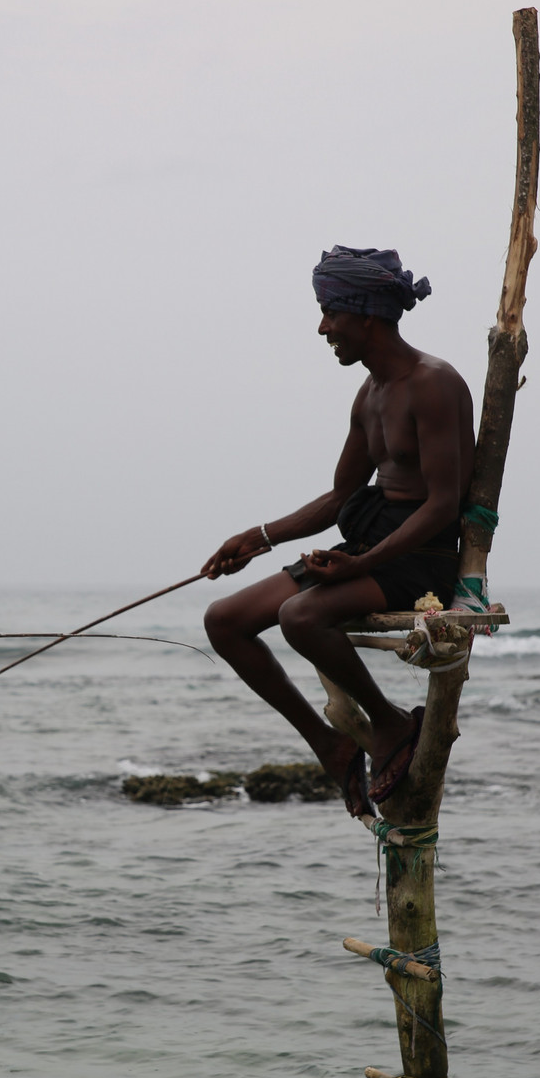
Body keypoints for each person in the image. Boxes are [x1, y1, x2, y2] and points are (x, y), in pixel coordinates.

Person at [202, 245, 475, 818]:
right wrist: (256, 537)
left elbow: (445, 504)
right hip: (370, 551)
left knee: (299, 616)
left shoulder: (435, 383)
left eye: (331, 313)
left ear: (367, 317)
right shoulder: (369, 393)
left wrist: (364, 562)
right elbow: (340, 497)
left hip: (419, 556)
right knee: (223, 620)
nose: (323, 327)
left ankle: (392, 725)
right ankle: (330, 743)